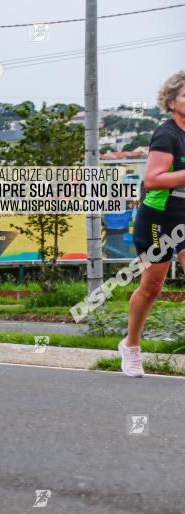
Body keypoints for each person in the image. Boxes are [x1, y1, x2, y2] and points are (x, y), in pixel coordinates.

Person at [121, 70, 185, 377]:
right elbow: (152, 180)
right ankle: (131, 345)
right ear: (172, 102)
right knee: (152, 286)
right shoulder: (166, 134)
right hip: (158, 219)